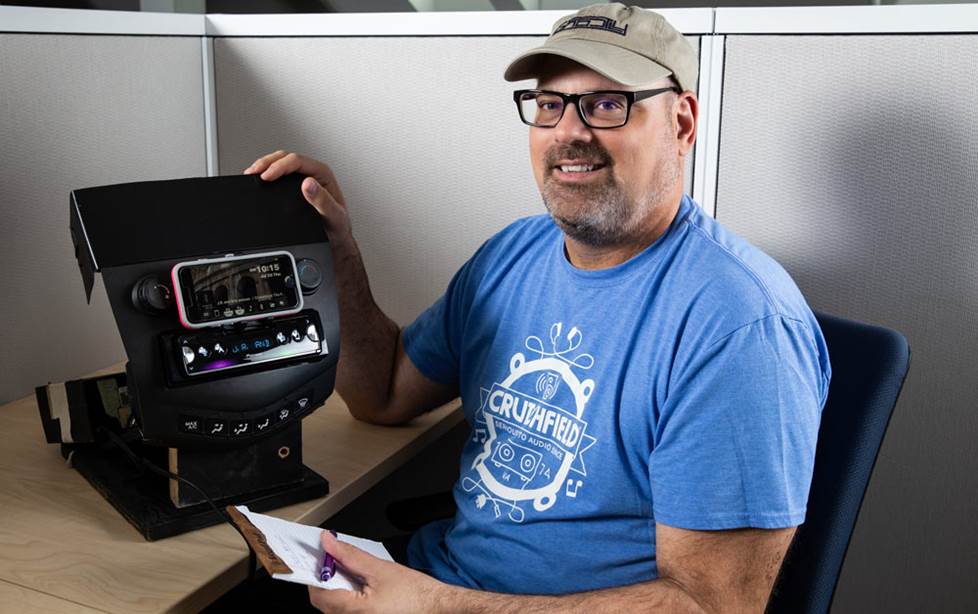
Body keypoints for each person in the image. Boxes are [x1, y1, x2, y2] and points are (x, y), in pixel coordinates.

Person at [245, 4, 830, 612]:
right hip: (437, 578)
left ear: (681, 124)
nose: (569, 132)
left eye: (607, 104)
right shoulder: (512, 255)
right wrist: (334, 251)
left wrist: (428, 605)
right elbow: (383, 394)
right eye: (550, 104)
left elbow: (712, 607)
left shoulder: (738, 325)